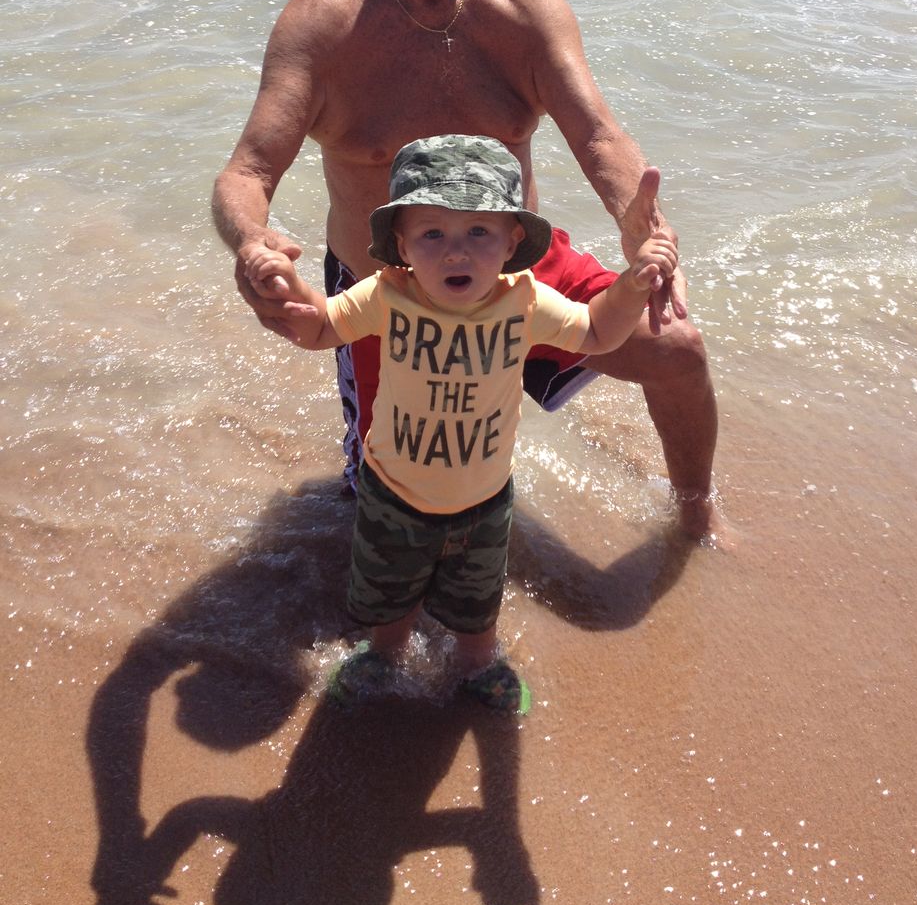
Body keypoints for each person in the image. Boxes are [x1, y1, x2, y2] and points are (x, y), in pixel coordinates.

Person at [212, 0, 718, 539]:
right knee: (398, 523)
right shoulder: (323, 21)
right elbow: (246, 173)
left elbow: (601, 137)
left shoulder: (524, 3)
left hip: (513, 277)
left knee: (675, 347)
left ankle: (696, 514)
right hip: (391, 300)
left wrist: (642, 227)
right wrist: (253, 242)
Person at [245, 134, 678, 712]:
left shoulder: (523, 300)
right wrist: (289, 289)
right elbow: (321, 329)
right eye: (433, 234)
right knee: (388, 597)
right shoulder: (388, 295)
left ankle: (478, 664)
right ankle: (385, 655)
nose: (456, 252)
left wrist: (632, 283)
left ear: (511, 241)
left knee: (477, 605)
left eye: (478, 232)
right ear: (401, 244)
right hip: (392, 492)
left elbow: (597, 332)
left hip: (483, 499)